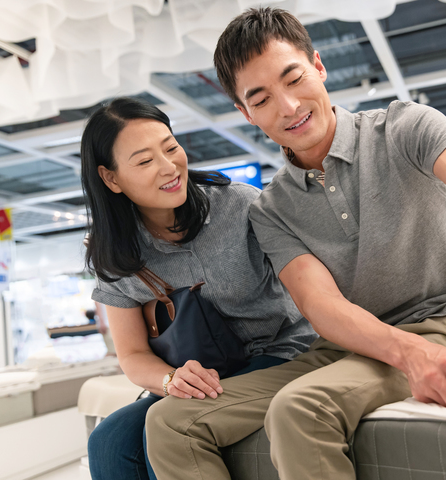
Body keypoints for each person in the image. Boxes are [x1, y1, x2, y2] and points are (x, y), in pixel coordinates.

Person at [145, 8, 446, 480]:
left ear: (318, 66)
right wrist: (405, 354)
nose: (288, 107)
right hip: (345, 347)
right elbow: (321, 305)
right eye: (262, 99)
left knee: (300, 408)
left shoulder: (404, 128)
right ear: (245, 113)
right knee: (171, 422)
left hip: (439, 323)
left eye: (294, 79)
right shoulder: (271, 208)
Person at [80, 97, 317, 480]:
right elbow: (133, 354)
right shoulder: (115, 254)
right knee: (108, 441)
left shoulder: (239, 206)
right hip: (201, 374)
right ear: (111, 179)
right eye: (145, 161)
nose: (168, 166)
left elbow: (311, 285)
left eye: (170, 147)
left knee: (169, 425)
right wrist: (170, 379)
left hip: (279, 352)